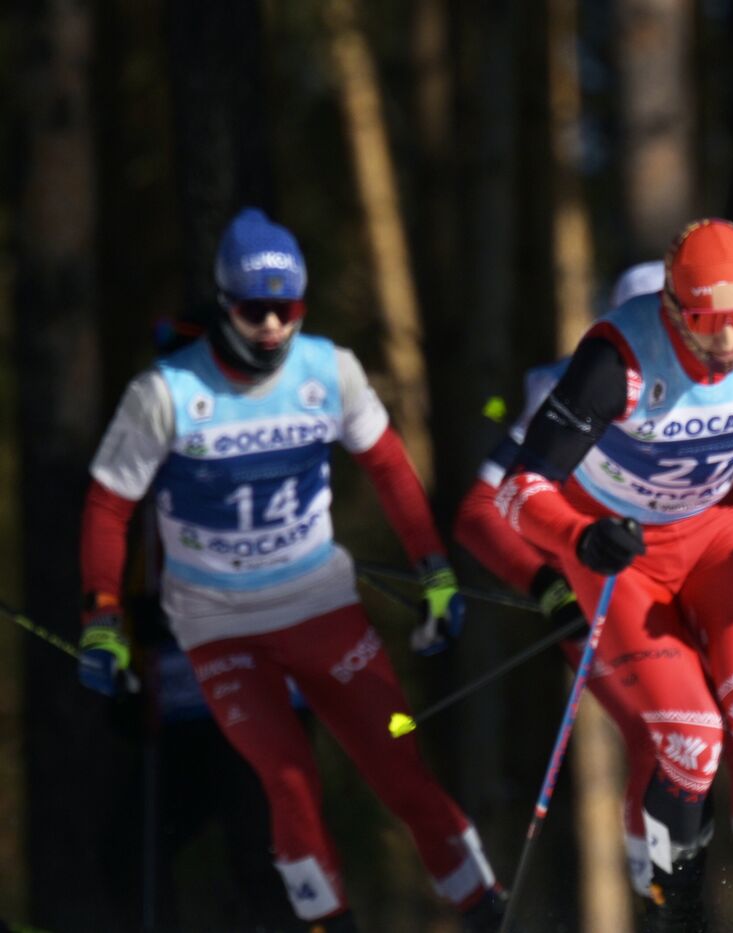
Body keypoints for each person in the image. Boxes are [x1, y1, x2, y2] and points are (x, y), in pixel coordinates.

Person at [77, 208, 505, 933]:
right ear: (224, 304)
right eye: (255, 310)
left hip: (322, 611)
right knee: (288, 781)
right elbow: (107, 507)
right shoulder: (167, 392)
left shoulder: (328, 370)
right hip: (219, 627)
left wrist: (434, 568)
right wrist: (103, 618)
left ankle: (489, 911)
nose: (273, 326)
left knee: (402, 767)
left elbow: (392, 469)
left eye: (289, 309)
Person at [493, 219, 733, 932]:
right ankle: (673, 909)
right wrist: (580, 536)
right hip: (626, 558)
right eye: (705, 323)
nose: (728, 341)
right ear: (670, 310)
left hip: (719, 535)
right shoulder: (615, 357)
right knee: (691, 740)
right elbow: (516, 489)